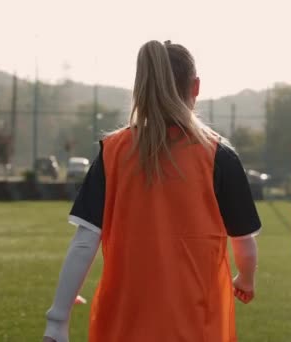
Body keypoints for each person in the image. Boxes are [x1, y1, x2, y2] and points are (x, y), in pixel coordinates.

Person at [43, 40, 261, 342]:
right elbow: (245, 244)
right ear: (195, 87)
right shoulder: (218, 155)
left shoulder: (114, 152)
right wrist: (246, 280)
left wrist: (58, 319)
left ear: (140, 88)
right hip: (198, 324)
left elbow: (84, 241)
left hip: (123, 323)